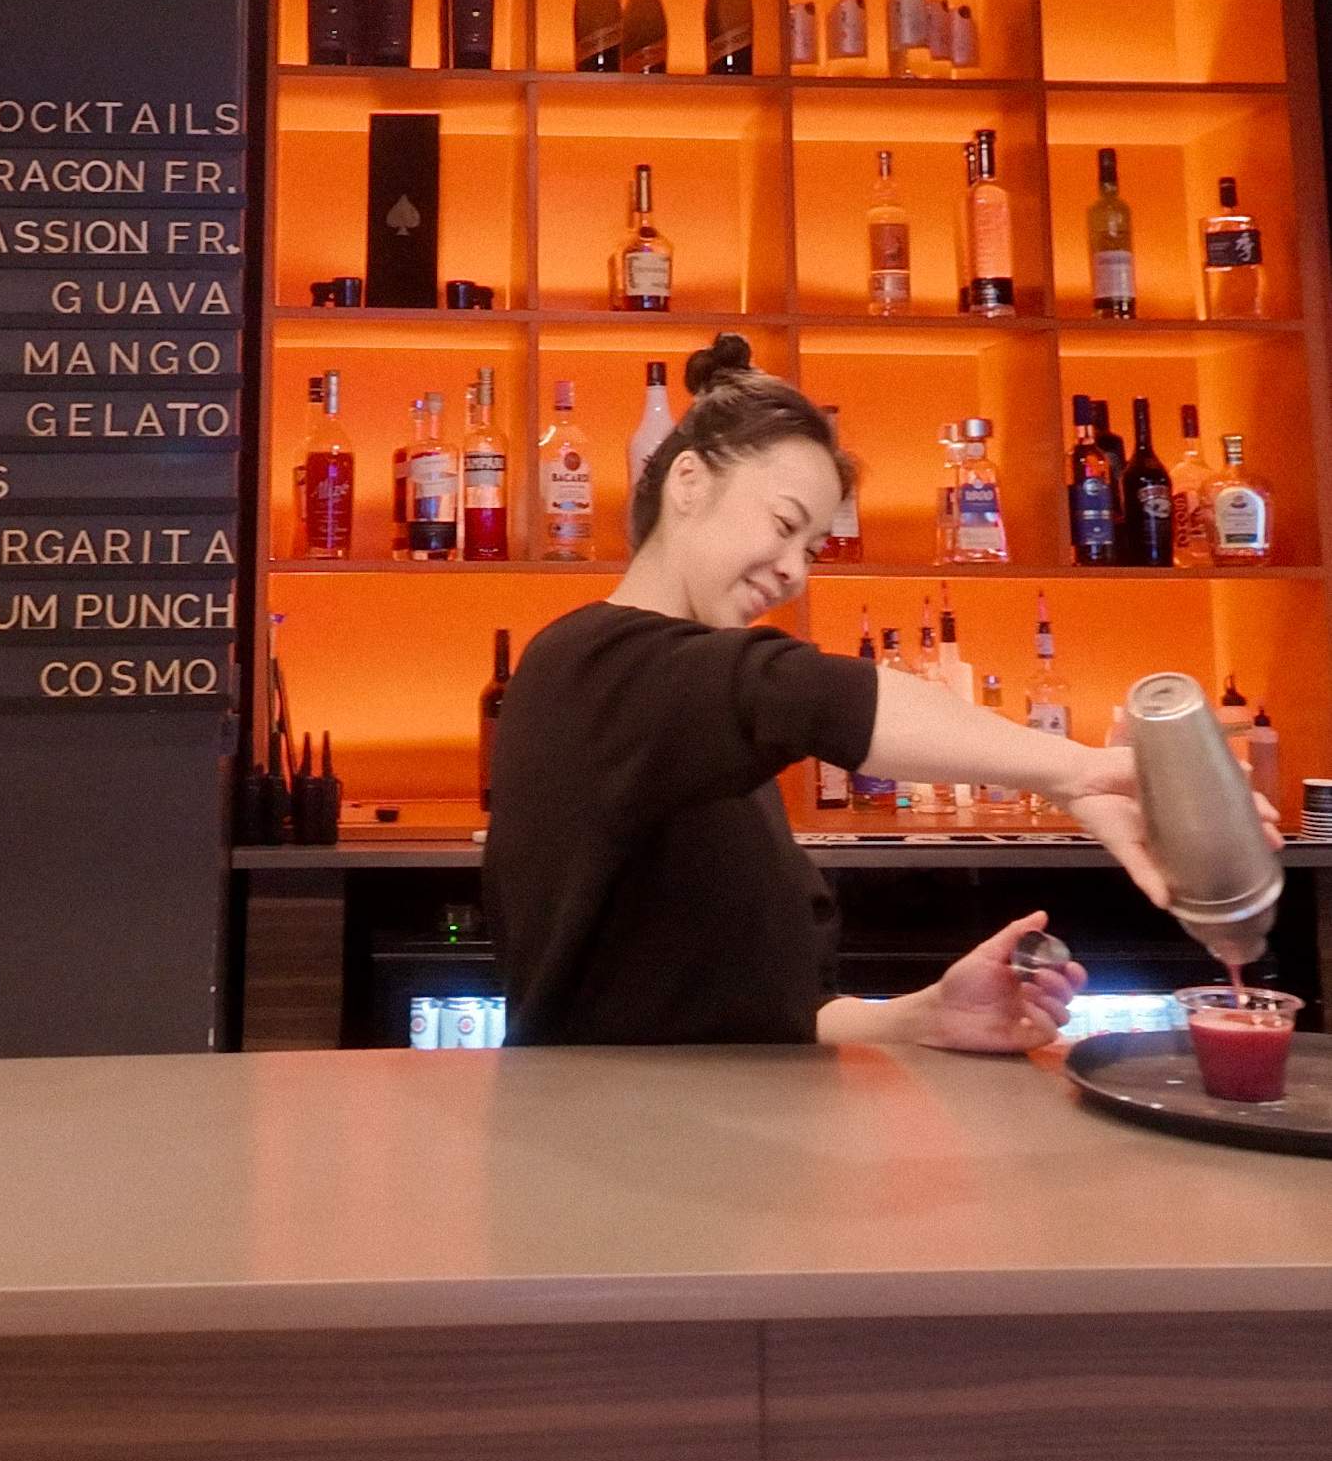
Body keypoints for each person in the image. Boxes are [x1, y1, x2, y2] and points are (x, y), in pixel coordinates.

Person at [485, 340, 1191, 1051]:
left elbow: (767, 1011)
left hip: (716, 1145)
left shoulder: (703, 728)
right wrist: (1075, 770)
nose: (795, 571)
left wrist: (923, 1016)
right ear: (690, 482)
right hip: (600, 1148)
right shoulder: (591, 662)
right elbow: (820, 696)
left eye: (814, 549)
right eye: (786, 524)